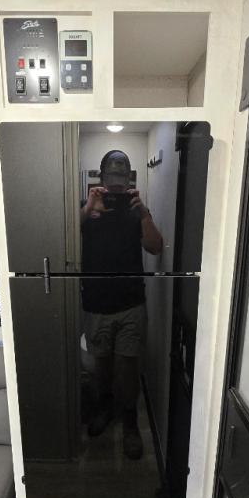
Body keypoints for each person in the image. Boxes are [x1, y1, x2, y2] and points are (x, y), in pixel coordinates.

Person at [80, 150, 163, 460]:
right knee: (101, 368)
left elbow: (155, 247)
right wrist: (88, 209)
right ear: (101, 177)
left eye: (122, 177)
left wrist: (144, 214)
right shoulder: (87, 209)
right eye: (111, 177)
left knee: (128, 368)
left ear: (129, 179)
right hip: (96, 303)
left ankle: (129, 423)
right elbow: (63, 238)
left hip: (130, 302)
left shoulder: (135, 209)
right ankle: (105, 408)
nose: (116, 184)